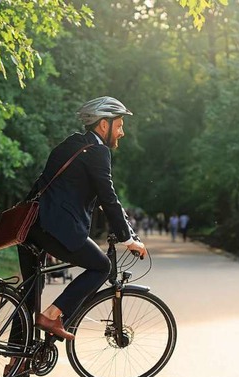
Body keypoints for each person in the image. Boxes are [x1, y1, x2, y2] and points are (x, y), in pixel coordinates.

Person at [14, 96, 147, 345]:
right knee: (101, 267)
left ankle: (16, 357)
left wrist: (124, 227)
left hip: (31, 224)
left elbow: (75, 190)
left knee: (30, 292)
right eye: (119, 125)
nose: (122, 133)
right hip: (56, 227)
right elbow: (109, 198)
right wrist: (129, 239)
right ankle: (52, 316)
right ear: (103, 125)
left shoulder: (70, 144)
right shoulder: (98, 152)